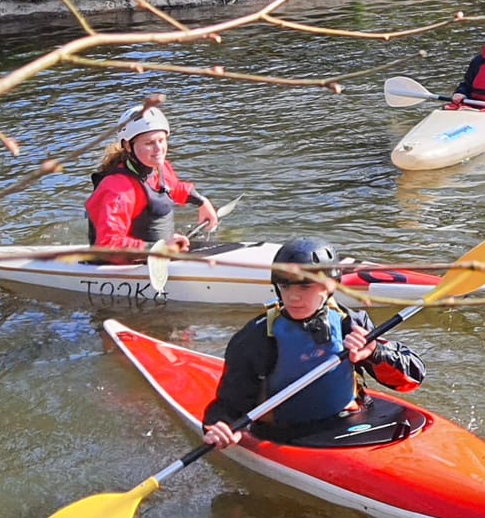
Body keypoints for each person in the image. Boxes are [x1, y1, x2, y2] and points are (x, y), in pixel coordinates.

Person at [202, 238, 427, 448]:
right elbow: (229, 407)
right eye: (285, 286)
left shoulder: (352, 323)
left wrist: (375, 352)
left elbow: (412, 379)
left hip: (351, 421)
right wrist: (220, 426)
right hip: (287, 435)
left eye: (304, 286)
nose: (293, 296)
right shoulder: (256, 338)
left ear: (329, 286)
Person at [86, 104, 218, 260]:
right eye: (149, 143)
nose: (158, 149)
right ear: (128, 146)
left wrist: (201, 202)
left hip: (160, 255)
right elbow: (108, 244)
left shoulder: (158, 168)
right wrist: (158, 249)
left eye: (161, 140)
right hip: (125, 265)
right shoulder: (117, 189)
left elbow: (173, 188)